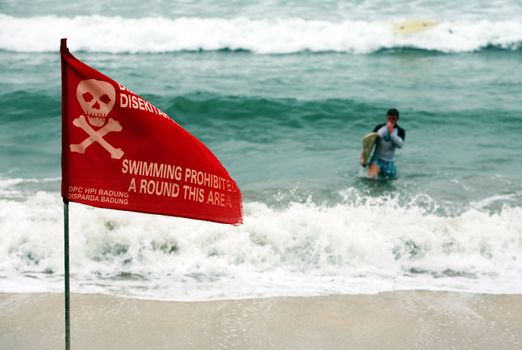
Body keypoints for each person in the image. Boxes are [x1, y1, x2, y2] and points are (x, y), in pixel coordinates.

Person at [361, 108, 405, 178]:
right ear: (386, 117)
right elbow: (369, 143)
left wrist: (391, 132)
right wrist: (363, 158)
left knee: (388, 184)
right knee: (371, 178)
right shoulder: (379, 128)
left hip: (390, 162)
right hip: (377, 160)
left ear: (397, 119)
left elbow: (400, 145)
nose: (391, 121)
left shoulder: (400, 131)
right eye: (389, 118)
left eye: (393, 119)